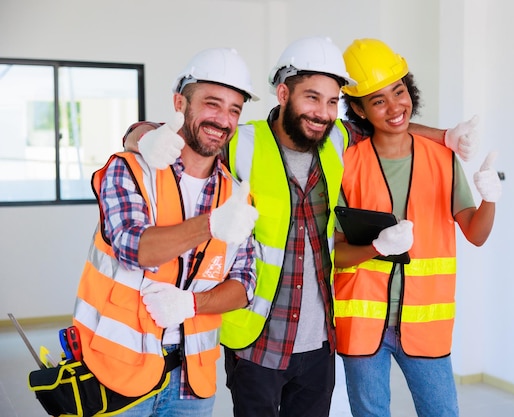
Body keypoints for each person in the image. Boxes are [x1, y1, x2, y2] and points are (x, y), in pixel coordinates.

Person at [123, 36, 481, 417]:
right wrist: (142, 138)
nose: (322, 112)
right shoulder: (241, 141)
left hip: (318, 343)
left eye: (331, 102)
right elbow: (173, 132)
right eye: (311, 98)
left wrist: (444, 137)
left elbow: (390, 123)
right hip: (256, 338)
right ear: (283, 93)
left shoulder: (337, 137)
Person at [72, 47, 260, 417]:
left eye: (234, 109)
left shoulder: (236, 194)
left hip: (192, 379)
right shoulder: (130, 170)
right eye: (212, 103)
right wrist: (209, 225)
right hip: (115, 372)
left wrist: (193, 304)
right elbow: (134, 248)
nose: (223, 119)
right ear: (180, 103)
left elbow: (244, 286)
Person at [332, 38, 502, 417]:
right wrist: (377, 247)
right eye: (378, 100)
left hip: (425, 323)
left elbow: (475, 234)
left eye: (399, 90)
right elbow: (336, 254)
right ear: (358, 108)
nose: (395, 107)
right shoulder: (347, 162)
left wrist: (489, 198)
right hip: (361, 324)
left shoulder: (443, 159)